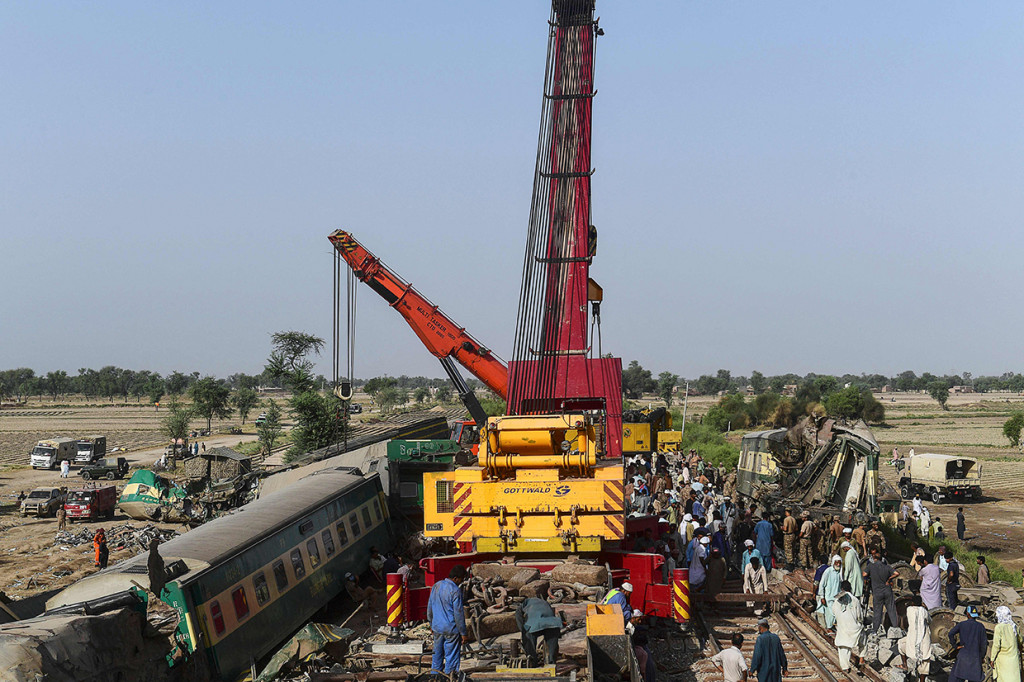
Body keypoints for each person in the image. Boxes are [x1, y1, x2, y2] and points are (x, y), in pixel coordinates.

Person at [427, 565, 468, 681]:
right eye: (461, 579)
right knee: (451, 657)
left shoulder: (436, 585)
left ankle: (434, 677)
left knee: (437, 656)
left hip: (437, 628)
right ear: (455, 578)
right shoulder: (455, 590)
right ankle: (450, 677)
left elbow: (429, 608)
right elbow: (459, 614)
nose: (461, 582)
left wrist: (431, 623)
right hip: (451, 630)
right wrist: (463, 633)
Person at [515, 597, 563, 666]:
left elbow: (518, 614)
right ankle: (551, 663)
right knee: (552, 644)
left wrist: (523, 629)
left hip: (535, 623)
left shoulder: (525, 603)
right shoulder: (545, 602)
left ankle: (532, 662)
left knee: (528, 640)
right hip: (553, 623)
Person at [863, 548, 899, 632]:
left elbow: (864, 574)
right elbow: (897, 573)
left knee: (877, 612)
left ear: (874, 559)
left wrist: (870, 577)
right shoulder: (887, 567)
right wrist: (889, 579)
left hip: (877, 592)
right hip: (887, 591)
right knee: (891, 610)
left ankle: (875, 630)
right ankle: (895, 628)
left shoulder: (871, 566)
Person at [833, 580, 865, 673]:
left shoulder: (836, 600)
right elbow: (859, 616)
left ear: (841, 589)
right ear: (850, 589)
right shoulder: (855, 600)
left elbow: (834, 612)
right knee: (863, 639)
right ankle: (862, 658)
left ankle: (845, 667)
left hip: (842, 628)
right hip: (854, 630)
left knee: (843, 647)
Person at [898, 594, 932, 682]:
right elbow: (929, 621)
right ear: (921, 603)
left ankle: (905, 664)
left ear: (912, 603)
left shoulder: (909, 610)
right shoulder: (924, 611)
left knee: (901, 644)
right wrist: (925, 608)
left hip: (912, 639)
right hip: (924, 639)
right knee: (925, 662)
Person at [948, 606, 987, 682]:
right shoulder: (980, 626)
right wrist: (981, 657)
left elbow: (950, 634)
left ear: (968, 614)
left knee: (957, 677)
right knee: (974, 678)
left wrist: (955, 646)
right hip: (975, 657)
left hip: (963, 655)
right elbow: (983, 644)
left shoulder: (962, 624)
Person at [990, 606, 1021, 682]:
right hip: (1014, 659)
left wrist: (992, 659)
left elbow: (996, 645)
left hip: (1003, 660)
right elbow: (1020, 640)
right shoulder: (1014, 626)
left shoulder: (999, 627)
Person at [816, 555, 843, 629]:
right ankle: (829, 629)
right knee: (830, 615)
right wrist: (822, 597)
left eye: (839, 563)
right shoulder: (828, 571)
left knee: (835, 615)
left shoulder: (839, 572)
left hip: (836, 598)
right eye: (837, 563)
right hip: (828, 598)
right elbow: (822, 584)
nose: (838, 564)